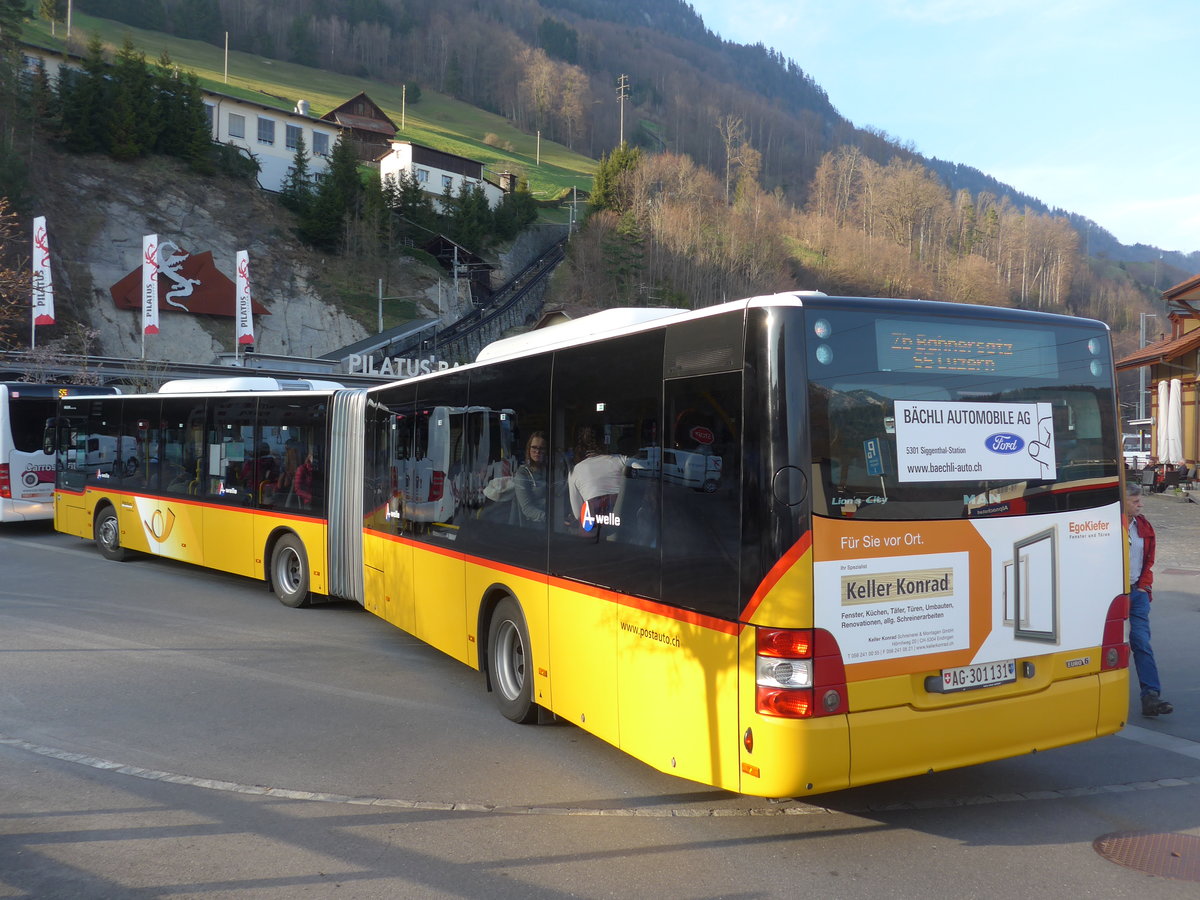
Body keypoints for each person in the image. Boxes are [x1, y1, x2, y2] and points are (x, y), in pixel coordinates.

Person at [1126, 483, 1173, 716]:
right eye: (1135, 501)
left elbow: (1149, 558)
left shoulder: (1143, 526)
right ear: (1122, 503)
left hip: (1137, 593)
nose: (1140, 504)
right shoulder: (1108, 528)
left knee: (1141, 642)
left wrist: (1144, 586)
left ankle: (1151, 696)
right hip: (1113, 596)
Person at [567, 426, 628, 529]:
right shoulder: (622, 460)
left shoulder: (575, 471)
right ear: (605, 441)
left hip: (597, 531)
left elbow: (578, 515)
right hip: (626, 526)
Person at [513, 431, 548, 524]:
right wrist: (549, 518)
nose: (537, 451)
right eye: (534, 447)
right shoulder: (522, 473)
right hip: (537, 524)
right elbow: (527, 508)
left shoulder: (550, 470)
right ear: (529, 449)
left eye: (542, 448)